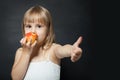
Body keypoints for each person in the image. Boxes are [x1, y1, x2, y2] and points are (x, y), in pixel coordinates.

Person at [11, 5, 83, 80]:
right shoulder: (20, 52)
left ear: (48, 30)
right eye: (29, 26)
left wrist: (72, 50)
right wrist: (26, 53)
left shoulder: (52, 49)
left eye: (39, 26)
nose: (33, 31)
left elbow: (63, 49)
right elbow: (16, 78)